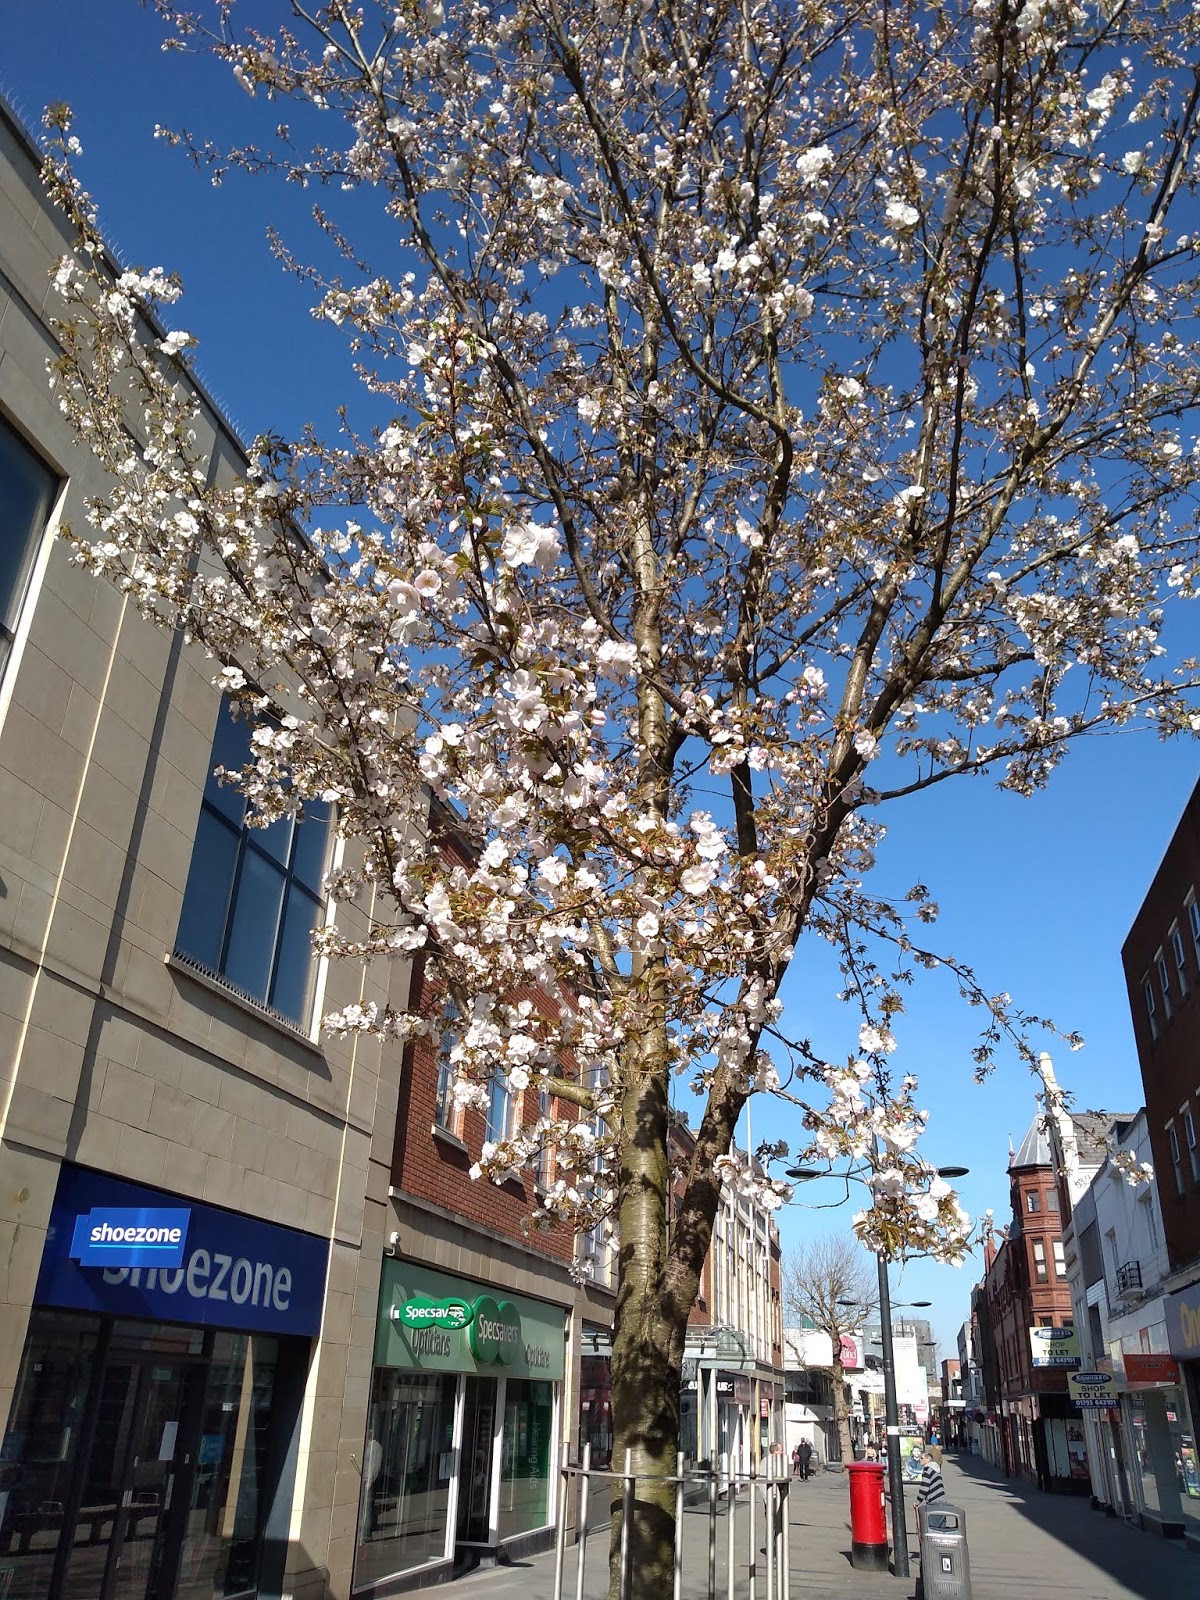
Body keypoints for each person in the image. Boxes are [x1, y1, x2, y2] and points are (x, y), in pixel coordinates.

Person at [915, 1449, 946, 1521]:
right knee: (940, 1524)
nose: (919, 1460)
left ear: (927, 1459)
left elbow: (924, 1488)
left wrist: (918, 1502)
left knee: (932, 1524)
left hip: (933, 1501)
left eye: (922, 1458)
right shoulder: (935, 1469)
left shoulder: (927, 1470)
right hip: (941, 1500)